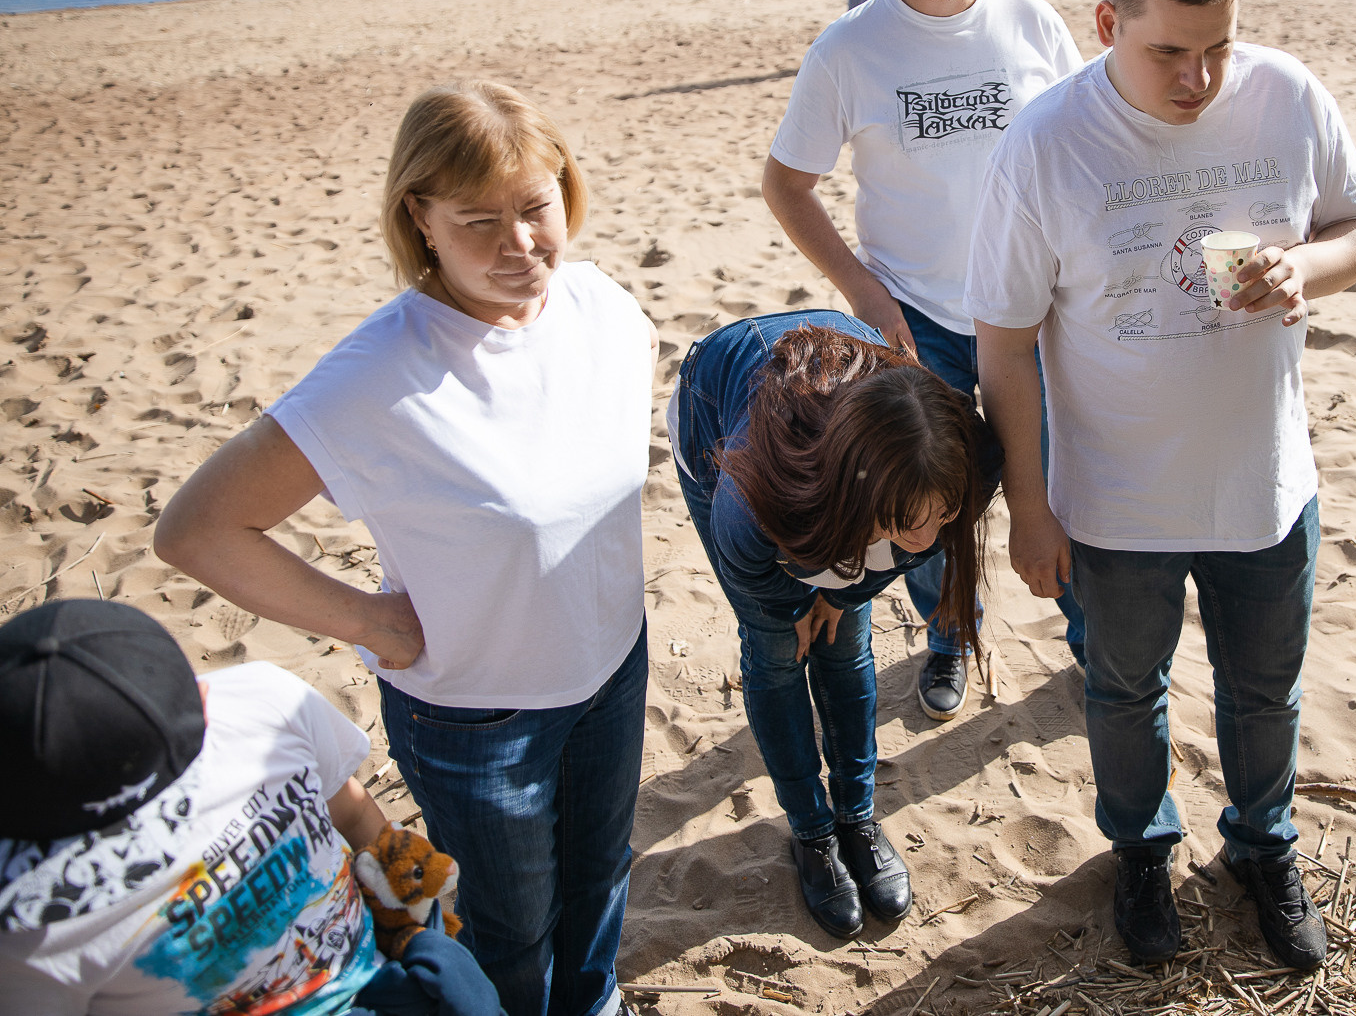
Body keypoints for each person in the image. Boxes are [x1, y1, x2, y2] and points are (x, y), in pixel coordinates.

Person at [154, 82, 656, 1016]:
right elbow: (195, 528)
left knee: (600, 886)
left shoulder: (606, 310)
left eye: (536, 208)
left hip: (614, 671)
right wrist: (367, 618)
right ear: (420, 218)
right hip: (481, 717)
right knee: (512, 926)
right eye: (479, 221)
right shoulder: (379, 371)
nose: (520, 245)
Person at [966, 0, 1356, 971]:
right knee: (1122, 692)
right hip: (1113, 500)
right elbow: (1004, 344)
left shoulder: (1288, 96)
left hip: (1265, 483)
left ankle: (1260, 846)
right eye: (1167, 52)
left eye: (1217, 49)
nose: (1196, 79)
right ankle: (1143, 851)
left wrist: (1308, 269)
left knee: (1263, 691)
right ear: (1105, 20)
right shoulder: (1043, 144)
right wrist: (1030, 502)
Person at [762, 0, 1087, 723]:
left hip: (1036, 312)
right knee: (925, 508)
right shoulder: (848, 49)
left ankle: (1095, 641)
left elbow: (1085, 150)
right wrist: (866, 293)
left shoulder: (1034, 23)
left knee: (1061, 491)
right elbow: (786, 185)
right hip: (918, 321)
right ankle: (950, 635)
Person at [666, 310, 1000, 938]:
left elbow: (917, 544)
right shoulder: (754, 499)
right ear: (857, 495)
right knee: (776, 655)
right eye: (905, 519)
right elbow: (753, 570)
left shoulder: (961, 464)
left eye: (943, 512)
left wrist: (841, 595)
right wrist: (795, 605)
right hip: (717, 397)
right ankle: (812, 832)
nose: (927, 537)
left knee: (845, 644)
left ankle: (858, 814)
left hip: (861, 451)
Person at [0, 599, 498, 1015]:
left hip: (384, 980)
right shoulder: (24, 920)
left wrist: (408, 911)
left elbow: (350, 813)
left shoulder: (262, 704)